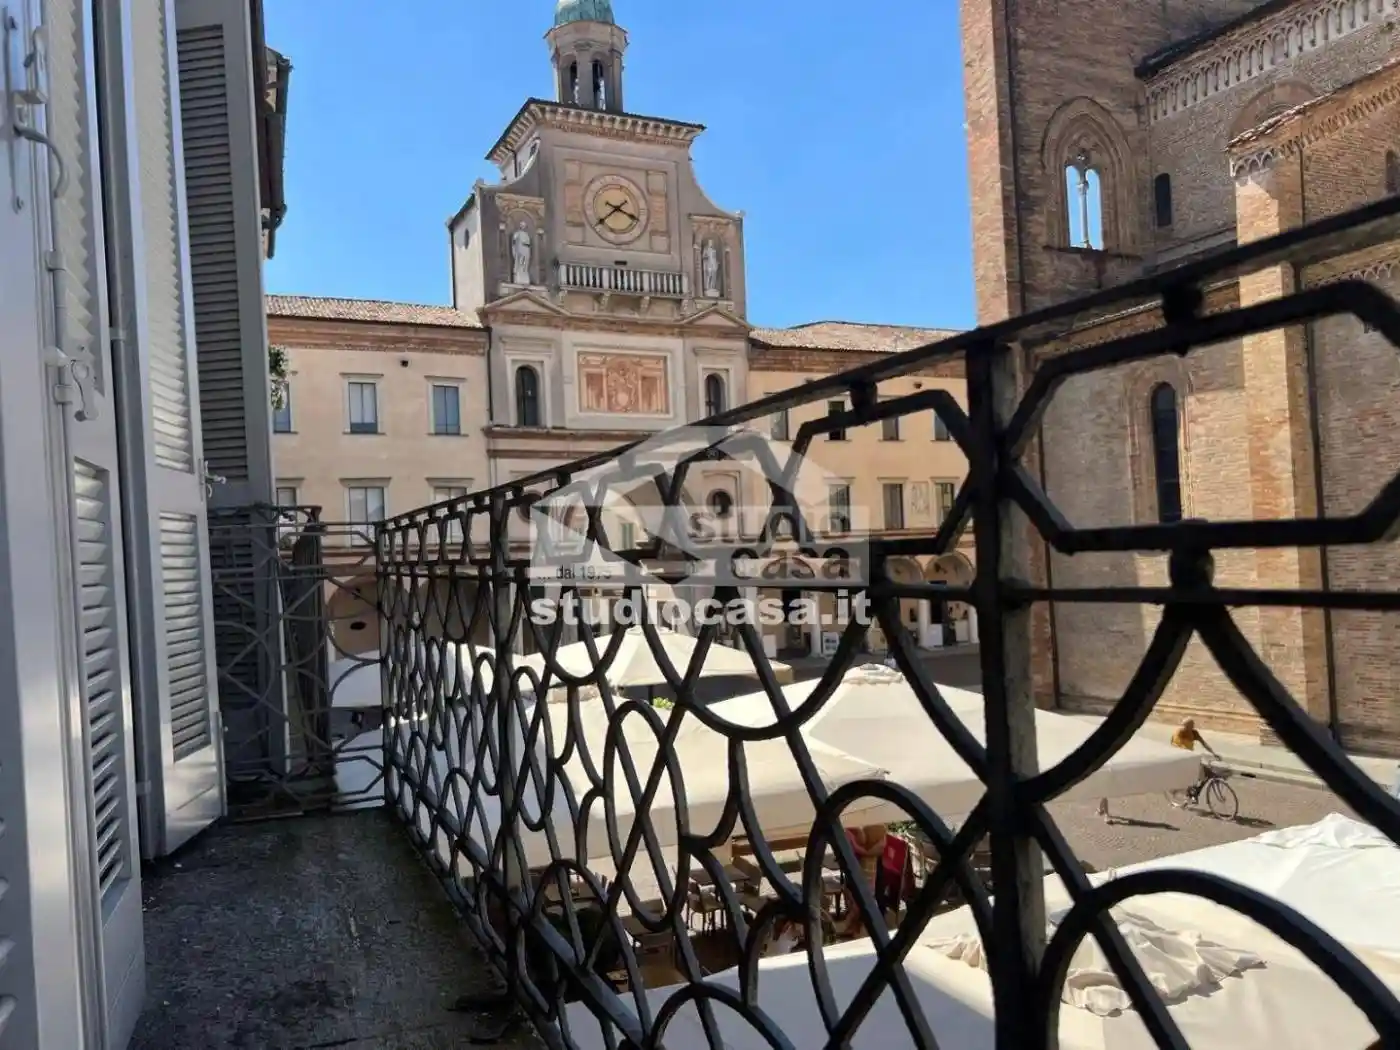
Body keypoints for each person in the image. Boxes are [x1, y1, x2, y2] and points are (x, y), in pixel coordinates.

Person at [834, 823, 887, 938]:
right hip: (859, 867)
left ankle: (857, 926)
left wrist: (858, 845)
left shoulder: (862, 828)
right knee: (859, 897)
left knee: (861, 898)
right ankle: (856, 925)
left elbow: (868, 842)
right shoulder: (858, 828)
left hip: (862, 867)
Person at [1170, 717, 1220, 806]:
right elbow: (1179, 745)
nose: (1189, 727)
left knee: (1203, 775)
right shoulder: (1179, 732)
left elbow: (1204, 743)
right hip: (1180, 757)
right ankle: (1185, 793)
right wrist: (1191, 754)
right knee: (1192, 775)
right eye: (1187, 726)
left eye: (1191, 725)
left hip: (1190, 757)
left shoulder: (1194, 733)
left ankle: (1193, 792)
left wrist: (1213, 753)